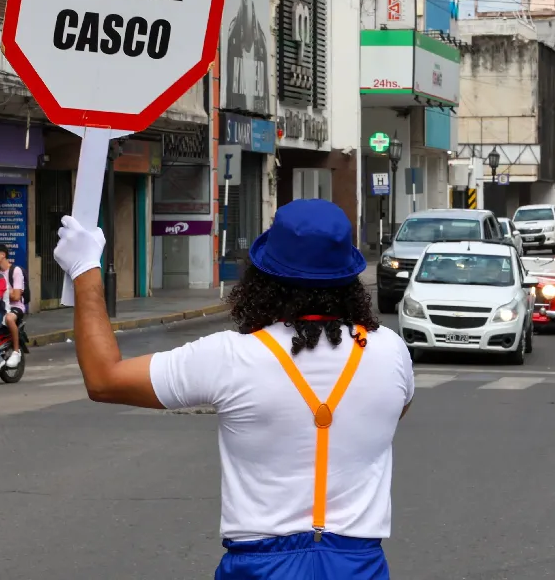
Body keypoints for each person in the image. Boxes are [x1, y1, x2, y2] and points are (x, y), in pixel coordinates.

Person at [53, 199, 413, 579]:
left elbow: (104, 378)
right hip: (359, 566)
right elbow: (395, 411)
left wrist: (85, 270)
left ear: (262, 279)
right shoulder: (391, 352)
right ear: (349, 278)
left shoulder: (231, 356)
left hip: (260, 565)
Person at [0, 244, 26, 369]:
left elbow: (16, 296)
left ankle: (16, 351)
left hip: (16, 307)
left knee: (10, 318)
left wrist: (1, 293)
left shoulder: (15, 271)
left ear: (3, 255)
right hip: (1, 306)